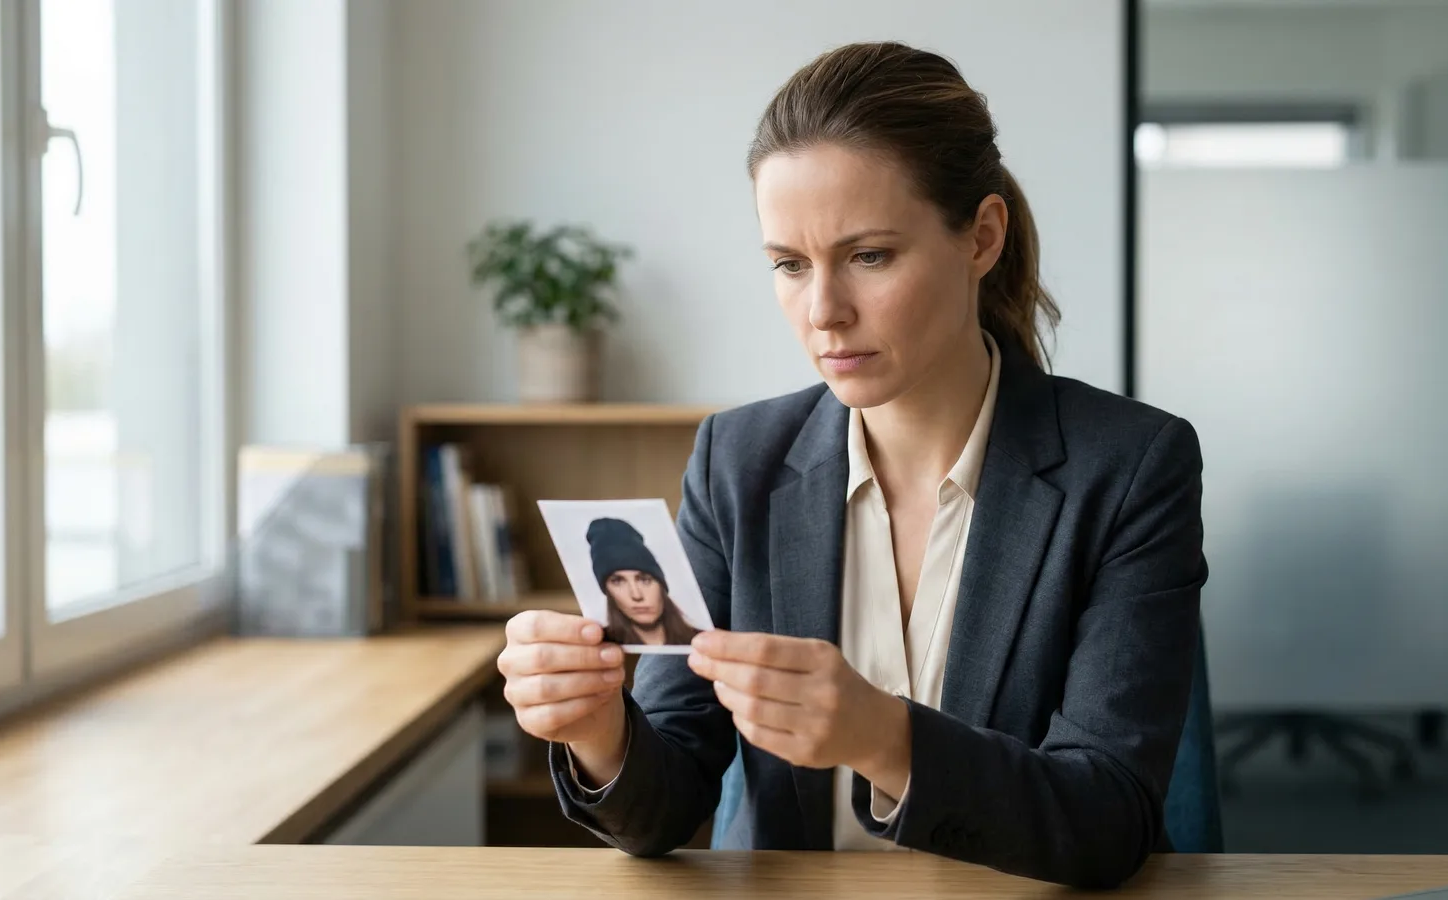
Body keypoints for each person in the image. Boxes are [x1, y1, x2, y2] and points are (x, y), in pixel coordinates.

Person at [496, 41, 1206, 888]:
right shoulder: (736, 464)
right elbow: (665, 802)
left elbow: (1109, 819)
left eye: (869, 256)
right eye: (790, 266)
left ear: (981, 237)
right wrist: (598, 731)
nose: (823, 312)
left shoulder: (1128, 467)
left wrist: (883, 738)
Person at [586, 517, 700, 647]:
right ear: (607, 590)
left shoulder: (702, 641)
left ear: (660, 583)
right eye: (618, 581)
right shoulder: (599, 645)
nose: (636, 595)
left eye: (644, 580)